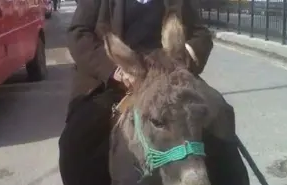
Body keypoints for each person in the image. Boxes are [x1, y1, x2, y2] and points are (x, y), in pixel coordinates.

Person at [58, 0, 249, 185]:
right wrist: (115, 69)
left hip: (170, 75)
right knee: (78, 139)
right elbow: (78, 34)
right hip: (117, 76)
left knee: (219, 110)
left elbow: (200, 34)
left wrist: (184, 58)